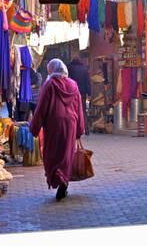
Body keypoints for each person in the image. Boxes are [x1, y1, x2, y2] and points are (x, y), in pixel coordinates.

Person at [30, 58, 85, 201]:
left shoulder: (49, 84)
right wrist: (80, 130)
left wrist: (34, 127)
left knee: (53, 152)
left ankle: (58, 178)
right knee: (66, 154)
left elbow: (41, 107)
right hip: (71, 123)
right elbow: (79, 108)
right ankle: (64, 183)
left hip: (54, 123)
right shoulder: (73, 85)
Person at [67, 54, 91, 135]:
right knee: (83, 110)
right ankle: (86, 129)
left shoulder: (70, 68)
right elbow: (87, 82)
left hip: (72, 92)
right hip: (83, 93)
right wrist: (89, 93)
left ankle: (74, 129)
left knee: (72, 110)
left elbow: (67, 79)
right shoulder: (84, 69)